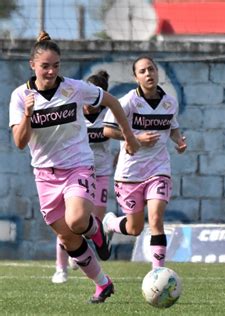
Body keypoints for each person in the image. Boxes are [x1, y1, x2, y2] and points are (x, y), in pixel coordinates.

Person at [9, 31, 140, 303]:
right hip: (45, 175)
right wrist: (27, 115)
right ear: (32, 65)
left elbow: (112, 102)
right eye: (45, 66)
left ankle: (96, 229)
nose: (51, 71)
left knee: (77, 220)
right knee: (68, 240)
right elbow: (20, 142)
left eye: (56, 65)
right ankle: (103, 283)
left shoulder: (74, 88)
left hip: (78, 166)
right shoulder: (21, 96)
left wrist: (128, 136)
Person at [102, 56, 187, 269]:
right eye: (142, 71)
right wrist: (135, 139)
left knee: (156, 220)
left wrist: (178, 140)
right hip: (130, 173)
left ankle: (157, 273)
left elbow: (172, 127)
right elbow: (107, 130)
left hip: (159, 169)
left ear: (158, 72)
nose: (148, 74)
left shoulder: (169, 102)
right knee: (135, 228)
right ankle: (110, 223)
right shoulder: (128, 101)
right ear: (136, 77)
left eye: (151, 69)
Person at [51, 70, 116, 284]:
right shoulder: (74, 110)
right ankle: (60, 268)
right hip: (76, 172)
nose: (89, 105)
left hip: (101, 174)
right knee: (67, 224)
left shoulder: (109, 114)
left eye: (94, 101)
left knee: (91, 224)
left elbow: (123, 133)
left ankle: (84, 248)